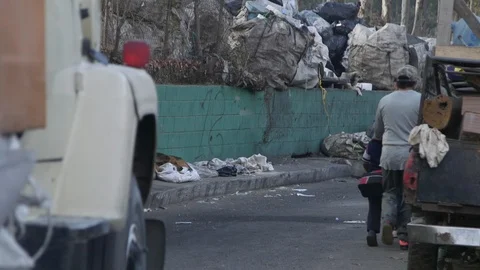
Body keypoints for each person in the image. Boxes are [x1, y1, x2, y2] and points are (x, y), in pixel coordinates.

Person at [373, 65, 421, 250]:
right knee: (408, 196)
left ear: (396, 82)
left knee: (390, 192)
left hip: (389, 155)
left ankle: (387, 222)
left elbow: (377, 132)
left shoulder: (385, 101)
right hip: (411, 156)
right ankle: (403, 237)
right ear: (414, 82)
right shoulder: (420, 101)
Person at [358, 138, 383, 247]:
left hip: (375, 177)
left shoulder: (373, 143)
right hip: (392, 174)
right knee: (397, 200)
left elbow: (365, 160)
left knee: (374, 203)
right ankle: (398, 230)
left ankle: (372, 231)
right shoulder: (399, 139)